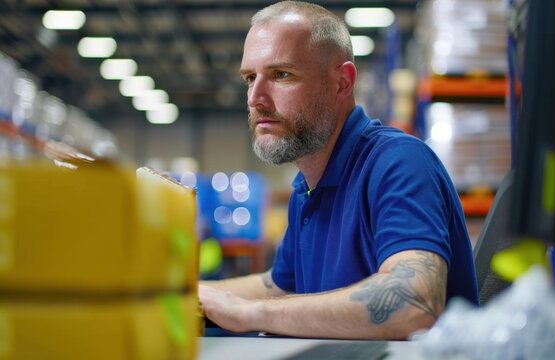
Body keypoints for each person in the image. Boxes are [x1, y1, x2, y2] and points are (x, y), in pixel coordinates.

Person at [199, 0, 478, 340]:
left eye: (281, 75)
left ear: (342, 83)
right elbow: (278, 287)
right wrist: (187, 295)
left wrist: (247, 314)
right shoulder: (307, 189)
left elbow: (414, 303)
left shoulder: (398, 163)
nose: (256, 98)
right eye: (249, 78)